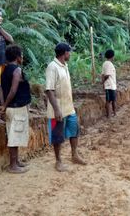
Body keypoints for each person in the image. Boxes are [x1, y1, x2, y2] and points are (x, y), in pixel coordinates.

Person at [45, 42, 86, 172]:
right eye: (69, 52)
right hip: (57, 110)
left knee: (75, 131)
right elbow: (49, 90)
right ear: (65, 53)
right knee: (57, 136)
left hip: (69, 108)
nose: (71, 54)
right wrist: (57, 109)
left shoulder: (64, 65)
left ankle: (74, 155)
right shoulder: (52, 67)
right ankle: (58, 161)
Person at [0, 45, 31, 173]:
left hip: (11, 108)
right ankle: (12, 165)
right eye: (21, 55)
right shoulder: (16, 70)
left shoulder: (4, 70)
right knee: (14, 136)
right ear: (17, 57)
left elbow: (1, 89)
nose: (22, 57)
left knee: (14, 134)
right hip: (16, 107)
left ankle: (16, 161)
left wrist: (3, 104)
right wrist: (4, 105)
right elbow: (13, 90)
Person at [101, 49, 117, 118]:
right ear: (112, 56)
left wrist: (103, 83)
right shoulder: (109, 64)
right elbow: (106, 75)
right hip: (110, 85)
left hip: (111, 85)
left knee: (111, 100)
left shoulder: (105, 63)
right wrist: (103, 82)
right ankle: (110, 115)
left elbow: (102, 74)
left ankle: (113, 113)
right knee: (109, 101)